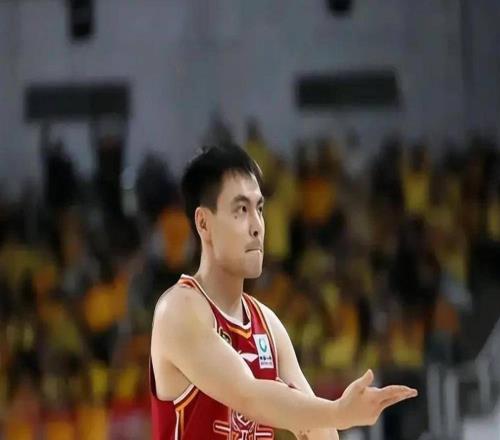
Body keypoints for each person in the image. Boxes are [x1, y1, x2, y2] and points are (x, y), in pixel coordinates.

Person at [150, 145, 418, 439]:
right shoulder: (178, 310)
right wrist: (340, 412)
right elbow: (249, 397)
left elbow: (317, 428)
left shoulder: (268, 325)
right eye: (241, 210)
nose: (257, 226)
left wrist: (333, 420)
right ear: (204, 223)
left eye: (259, 209)